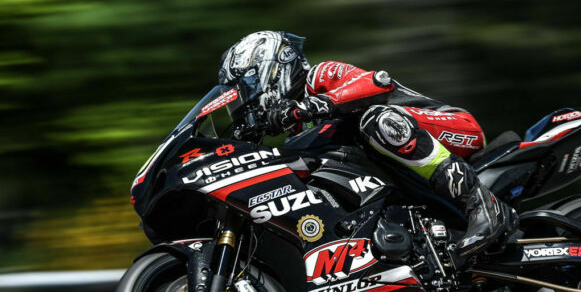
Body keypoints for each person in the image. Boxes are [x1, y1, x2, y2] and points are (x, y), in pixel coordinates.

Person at [217, 30, 517, 258]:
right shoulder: (296, 133)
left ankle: (483, 205)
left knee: (375, 119)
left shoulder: (319, 77)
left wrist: (313, 106)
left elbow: (377, 83)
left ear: (274, 64)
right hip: (409, 176)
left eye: (248, 87)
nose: (247, 101)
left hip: (453, 127)